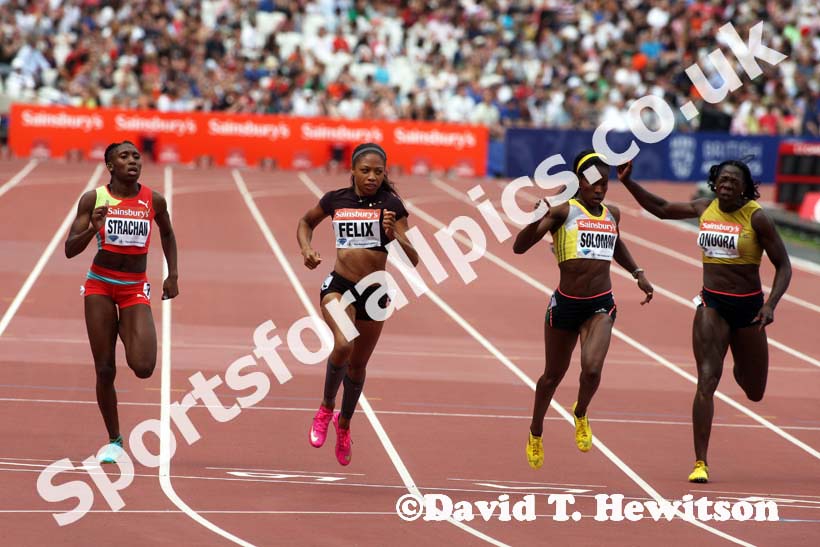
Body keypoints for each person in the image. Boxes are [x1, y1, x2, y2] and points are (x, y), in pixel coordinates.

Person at [617, 158, 791, 483]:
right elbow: (662, 207)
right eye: (722, 180)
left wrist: (770, 305)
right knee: (707, 380)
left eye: (733, 182)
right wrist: (628, 183)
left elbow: (784, 266)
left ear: (744, 188)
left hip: (749, 309)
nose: (726, 186)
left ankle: (741, 361)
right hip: (712, 305)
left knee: (754, 390)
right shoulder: (704, 207)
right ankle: (701, 462)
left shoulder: (757, 218)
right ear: (714, 182)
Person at [514, 150, 654, 470]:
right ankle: (536, 430)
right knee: (552, 377)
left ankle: (580, 412)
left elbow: (616, 244)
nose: (600, 188)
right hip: (565, 305)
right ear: (579, 182)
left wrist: (638, 273)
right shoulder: (563, 213)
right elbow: (519, 248)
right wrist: (539, 218)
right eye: (593, 182)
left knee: (591, 370)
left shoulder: (612, 214)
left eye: (605, 183)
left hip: (600, 304)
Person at [297, 143, 419, 466]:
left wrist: (395, 235)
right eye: (365, 170)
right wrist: (306, 249)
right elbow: (305, 223)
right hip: (339, 286)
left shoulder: (392, 204)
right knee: (343, 342)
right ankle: (325, 408)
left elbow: (415, 258)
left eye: (378, 172)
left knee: (358, 366)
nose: (371, 177)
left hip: (375, 294)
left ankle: (345, 423)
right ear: (352, 170)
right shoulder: (336, 200)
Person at [65, 141, 179, 464]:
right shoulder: (94, 199)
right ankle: (114, 440)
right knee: (105, 369)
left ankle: (130, 331)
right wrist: (92, 230)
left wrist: (173, 275)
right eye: (124, 156)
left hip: (133, 288)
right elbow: (69, 249)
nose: (133, 161)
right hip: (100, 285)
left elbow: (168, 234)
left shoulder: (153, 200)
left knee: (143, 367)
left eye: (136, 156)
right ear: (110, 166)